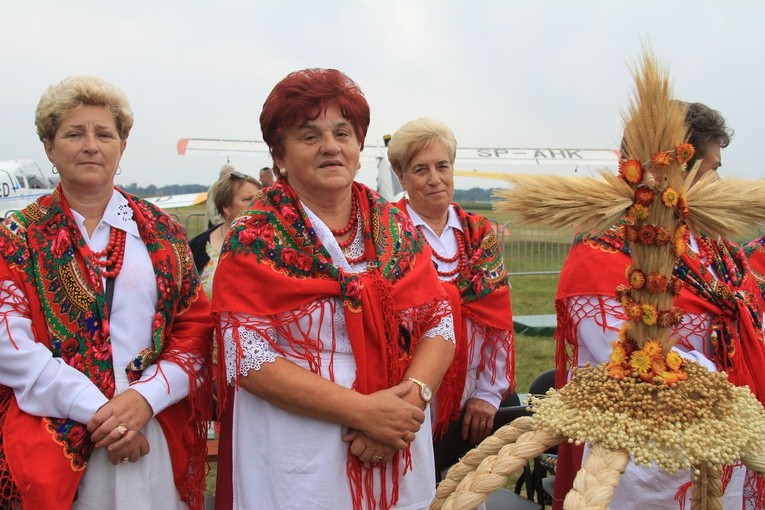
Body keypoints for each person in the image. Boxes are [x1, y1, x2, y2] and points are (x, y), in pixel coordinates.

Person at [211, 68, 456, 510]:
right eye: (309, 135)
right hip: (302, 448)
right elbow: (246, 358)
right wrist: (363, 413)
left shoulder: (396, 226)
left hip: (399, 431)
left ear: (358, 146)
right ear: (279, 156)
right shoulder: (253, 238)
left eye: (342, 132)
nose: (330, 145)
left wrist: (411, 397)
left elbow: (439, 320)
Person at [0, 75, 213, 509]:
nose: (90, 145)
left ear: (122, 145)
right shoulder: (17, 237)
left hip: (148, 425)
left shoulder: (162, 233)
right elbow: (9, 344)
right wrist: (99, 412)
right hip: (58, 429)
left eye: (104, 133)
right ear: (49, 147)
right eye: (74, 133)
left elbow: (194, 328)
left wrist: (143, 399)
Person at [552, 101, 765, 509]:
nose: (720, 179)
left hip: (727, 452)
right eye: (714, 167)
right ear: (676, 168)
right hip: (647, 465)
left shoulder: (717, 249)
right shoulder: (604, 251)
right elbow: (627, 355)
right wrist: (726, 388)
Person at [386, 118, 514, 459]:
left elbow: (496, 321)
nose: (434, 179)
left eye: (442, 166)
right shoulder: (386, 233)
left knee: (467, 491)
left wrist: (488, 394)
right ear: (402, 177)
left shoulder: (478, 234)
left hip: (470, 391)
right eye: (420, 169)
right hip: (405, 393)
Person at [190, 171, 262, 297]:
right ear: (226, 207)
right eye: (248, 199)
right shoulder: (196, 247)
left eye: (260, 199)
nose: (257, 204)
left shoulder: (276, 242)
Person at [205, 164, 236, 228]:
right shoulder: (215, 188)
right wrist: (219, 224)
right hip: (216, 225)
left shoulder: (226, 187)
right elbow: (212, 209)